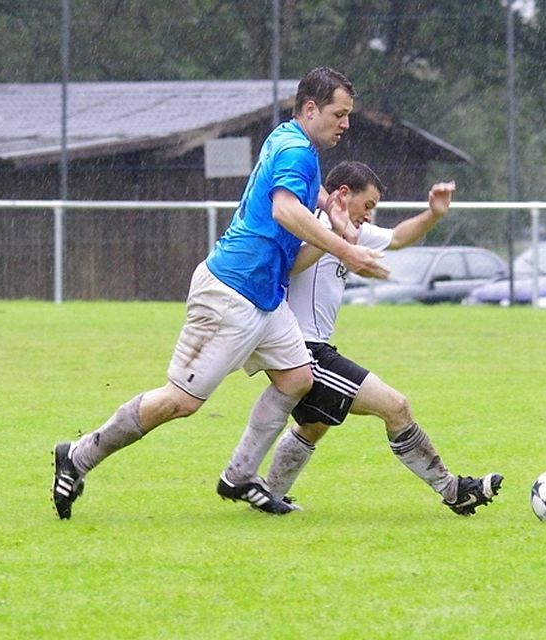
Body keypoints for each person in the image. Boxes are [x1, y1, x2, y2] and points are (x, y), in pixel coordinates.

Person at [51, 67, 388, 519]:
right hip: (230, 291)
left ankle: (239, 476)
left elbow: (295, 226)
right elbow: (285, 210)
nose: (345, 124)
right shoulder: (296, 152)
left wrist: (331, 217)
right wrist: (346, 246)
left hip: (265, 298)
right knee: (180, 402)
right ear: (311, 109)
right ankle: (78, 456)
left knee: (297, 378)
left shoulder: (291, 141)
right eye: (339, 113)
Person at [264, 161, 503, 515]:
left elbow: (399, 238)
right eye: (368, 206)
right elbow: (288, 264)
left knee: (314, 424)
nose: (368, 216)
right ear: (344, 195)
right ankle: (454, 491)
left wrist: (433, 214)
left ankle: (268, 495)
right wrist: (334, 237)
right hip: (303, 349)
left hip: (312, 347)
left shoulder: (350, 230)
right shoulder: (315, 226)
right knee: (396, 406)